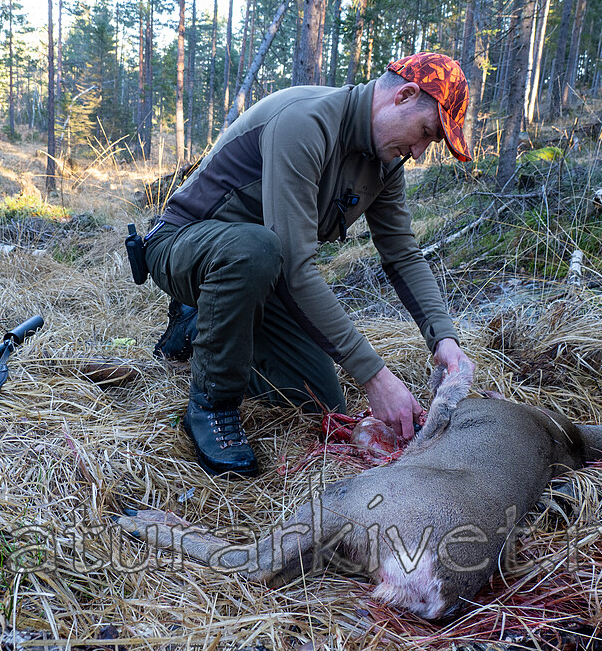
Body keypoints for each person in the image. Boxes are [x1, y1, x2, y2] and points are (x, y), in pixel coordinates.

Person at [144, 52, 476, 477]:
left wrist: (443, 341)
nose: (418, 151)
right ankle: (211, 404)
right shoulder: (306, 122)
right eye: (426, 133)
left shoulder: (385, 163)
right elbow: (297, 268)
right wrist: (376, 378)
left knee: (319, 400)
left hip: (260, 272)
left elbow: (402, 254)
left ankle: (199, 327)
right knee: (256, 248)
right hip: (184, 246)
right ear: (405, 96)